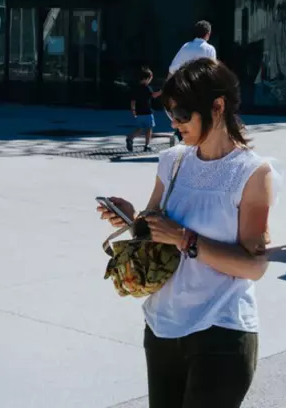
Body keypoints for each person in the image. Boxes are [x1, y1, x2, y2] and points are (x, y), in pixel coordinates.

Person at [97, 56, 271, 408]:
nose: (175, 125)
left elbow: (254, 266)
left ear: (217, 107)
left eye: (182, 116)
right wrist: (133, 220)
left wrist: (184, 239)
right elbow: (152, 232)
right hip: (162, 325)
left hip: (221, 329)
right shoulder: (173, 160)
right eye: (170, 116)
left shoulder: (252, 173)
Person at [128, 66, 158, 154]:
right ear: (146, 79)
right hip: (147, 112)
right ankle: (147, 146)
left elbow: (133, 101)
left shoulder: (136, 88)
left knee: (139, 129)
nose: (150, 81)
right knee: (149, 129)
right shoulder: (147, 88)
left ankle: (130, 138)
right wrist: (161, 92)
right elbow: (153, 95)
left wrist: (133, 111)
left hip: (139, 113)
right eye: (150, 79)